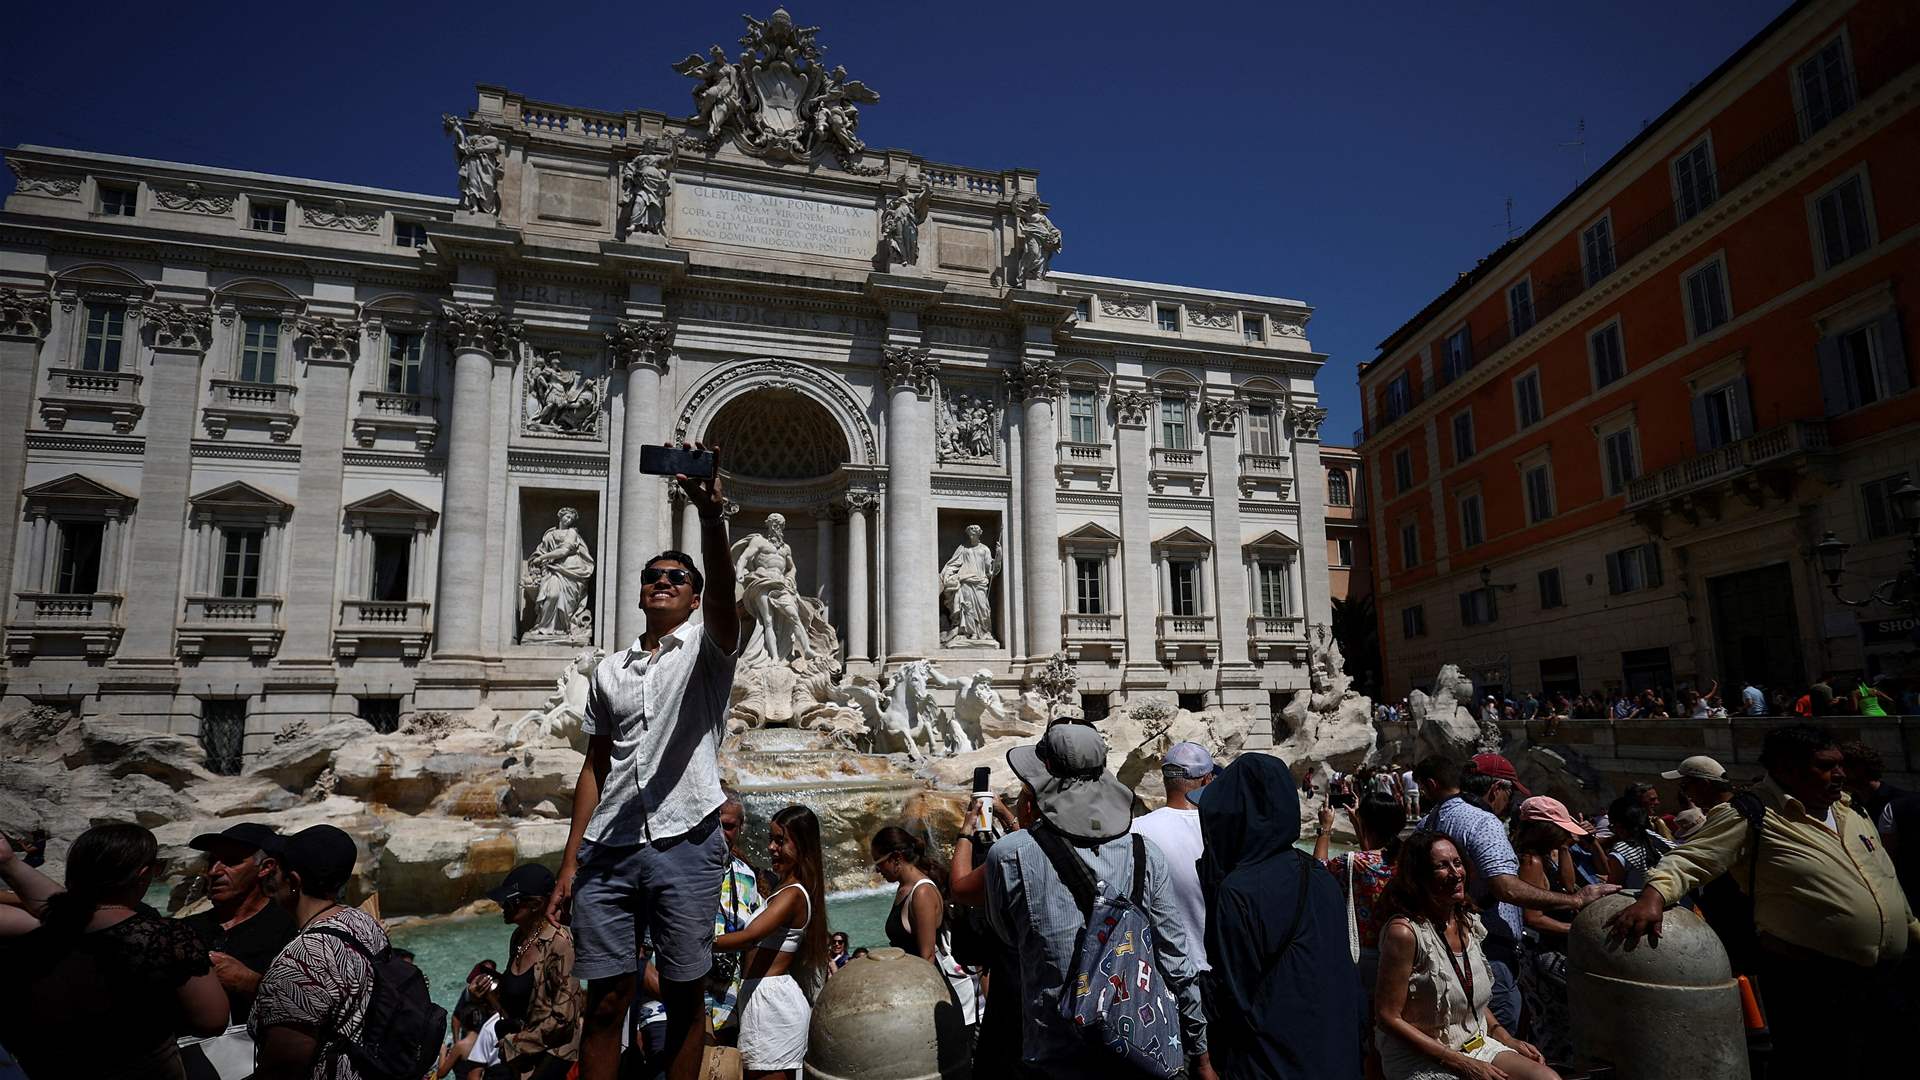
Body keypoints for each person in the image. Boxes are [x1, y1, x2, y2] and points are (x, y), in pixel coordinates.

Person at [550, 442, 739, 1080]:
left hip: (687, 838)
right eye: (652, 577)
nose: (662, 583)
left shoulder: (709, 653)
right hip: (609, 846)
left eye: (676, 579)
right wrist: (569, 861)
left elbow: (725, 599)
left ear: (694, 599)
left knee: (686, 995)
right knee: (603, 1001)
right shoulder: (609, 671)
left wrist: (712, 518)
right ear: (639, 596)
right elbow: (594, 767)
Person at [1606, 725, 1919, 1072]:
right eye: (1826, 766)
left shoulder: (1851, 809)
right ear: (1786, 769)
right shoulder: (1750, 813)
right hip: (1813, 985)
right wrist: (1652, 897)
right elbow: (1689, 860)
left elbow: (1883, 875)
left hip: (1889, 977)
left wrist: (1910, 926)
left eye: (1840, 764)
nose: (1840, 774)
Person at [985, 723, 1212, 1080]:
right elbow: (1177, 963)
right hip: (1136, 1049)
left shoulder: (1008, 855)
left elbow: (1010, 937)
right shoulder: (1145, 853)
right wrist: (1200, 1053)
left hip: (1053, 1055)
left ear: (1043, 777)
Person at [0, 824, 227, 1080]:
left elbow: (54, 908)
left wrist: (9, 863)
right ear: (143, 875)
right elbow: (213, 1020)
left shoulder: (30, 943)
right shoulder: (166, 937)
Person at [1411, 756, 1616, 1034]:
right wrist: (1577, 900)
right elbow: (1505, 887)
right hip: (1490, 949)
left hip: (1450, 941)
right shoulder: (1482, 822)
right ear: (1496, 789)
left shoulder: (1428, 822)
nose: (1511, 802)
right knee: (1500, 1030)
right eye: (1511, 793)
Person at [1202, 754, 1363, 1078]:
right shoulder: (1317, 875)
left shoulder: (1237, 891)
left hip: (1271, 1062)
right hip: (1335, 1053)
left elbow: (1237, 994)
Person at [1374, 832, 1558, 1080]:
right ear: (1419, 877)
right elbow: (1387, 1017)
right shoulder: (1405, 934)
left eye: (1457, 863)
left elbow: (1470, 995)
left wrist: (1506, 1038)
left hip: (1476, 1044)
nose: (1455, 873)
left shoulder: (1467, 921)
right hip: (1422, 1056)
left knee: (1547, 1078)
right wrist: (1460, 1063)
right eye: (1441, 866)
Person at [249, 824, 389, 1080]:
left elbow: (282, 1069)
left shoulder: (302, 959)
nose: (271, 875)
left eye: (277, 869)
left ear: (293, 881)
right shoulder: (365, 924)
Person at [713, 805, 829, 1079]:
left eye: (780, 840)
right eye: (771, 839)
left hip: (773, 1004)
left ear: (801, 845)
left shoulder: (793, 894)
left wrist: (698, 943)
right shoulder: (782, 889)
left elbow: (750, 937)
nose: (771, 847)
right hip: (760, 999)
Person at [178, 822, 296, 1080]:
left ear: (266, 868)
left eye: (230, 862)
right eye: (212, 862)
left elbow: (314, 1008)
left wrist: (251, 983)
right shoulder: (184, 930)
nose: (215, 871)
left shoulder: (290, 930)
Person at [463, 864, 582, 1080]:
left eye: (510, 901)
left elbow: (564, 1019)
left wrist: (516, 1044)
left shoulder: (560, 944)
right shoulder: (519, 938)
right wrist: (484, 996)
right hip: (522, 1062)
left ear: (536, 904)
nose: (502, 906)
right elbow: (519, 1000)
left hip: (552, 1063)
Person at [872, 825, 979, 1024]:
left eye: (879, 863)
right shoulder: (904, 889)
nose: (877, 870)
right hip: (916, 986)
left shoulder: (922, 893)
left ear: (896, 858)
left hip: (938, 994)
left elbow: (927, 957)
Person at [1510, 798, 1589, 1066]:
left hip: (1552, 949)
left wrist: (1565, 847)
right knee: (1556, 1026)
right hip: (1543, 953)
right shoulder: (1530, 861)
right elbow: (1533, 917)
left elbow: (1568, 886)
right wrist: (1575, 929)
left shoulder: (1545, 857)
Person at [1130, 740, 1217, 972]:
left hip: (1167, 971)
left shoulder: (1136, 830)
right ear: (1207, 780)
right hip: (1224, 970)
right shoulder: (1227, 826)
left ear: (1165, 779)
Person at [1314, 790, 1406, 1001]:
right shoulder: (1406, 857)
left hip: (1363, 955)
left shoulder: (1355, 862)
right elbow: (1375, 853)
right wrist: (1360, 825)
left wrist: (1325, 828)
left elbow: (1317, 873)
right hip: (1401, 950)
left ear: (1366, 822)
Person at [709, 793, 765, 1039]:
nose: (721, 832)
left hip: (729, 1004)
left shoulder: (746, 875)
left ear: (741, 828)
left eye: (729, 826)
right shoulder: (679, 869)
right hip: (676, 1002)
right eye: (715, 824)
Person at [1840, 741, 1920, 902]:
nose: (1839, 773)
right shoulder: (1846, 804)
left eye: (1844, 767)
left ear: (1860, 768)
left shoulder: (1901, 802)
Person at [1600, 795, 1671, 886]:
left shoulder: (1621, 852)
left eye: (1612, 827)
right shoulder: (1657, 838)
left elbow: (1614, 887)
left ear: (1619, 827)